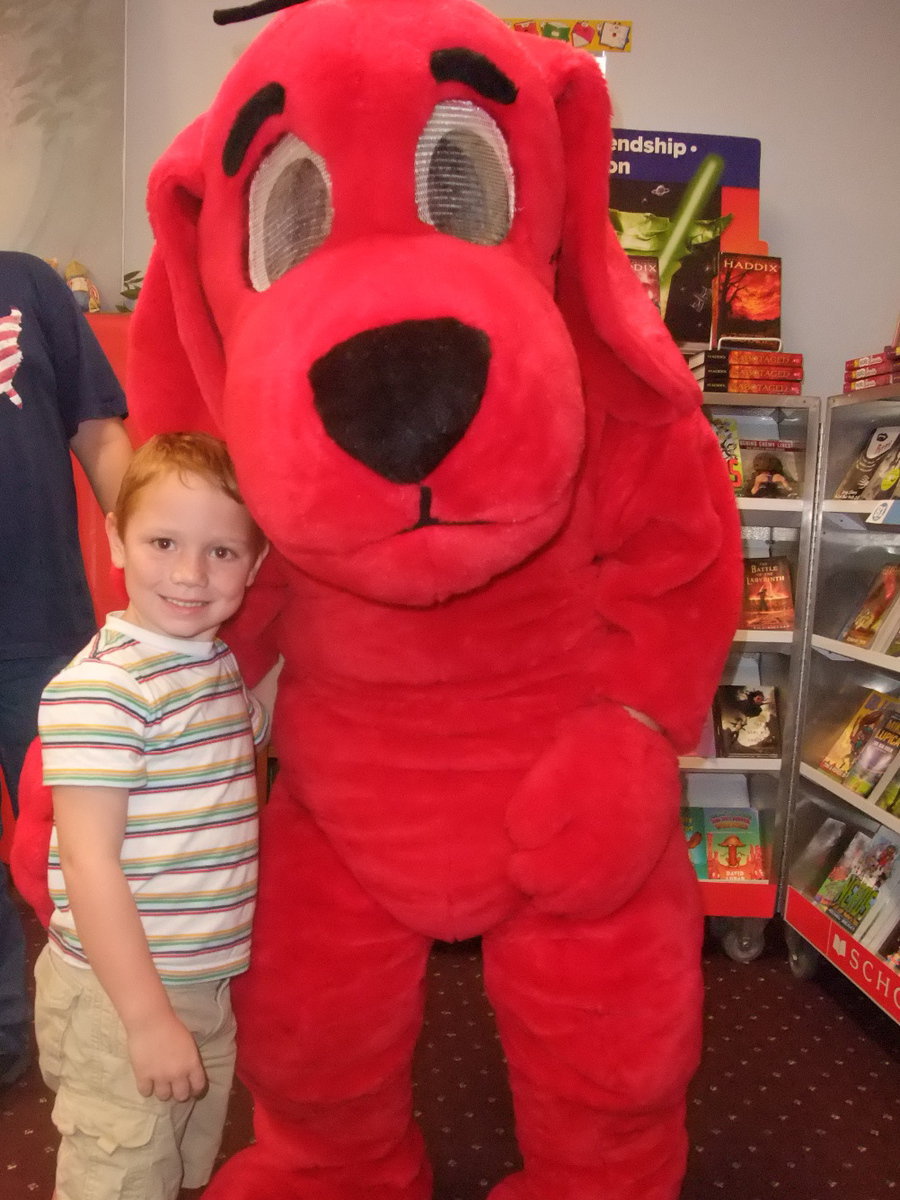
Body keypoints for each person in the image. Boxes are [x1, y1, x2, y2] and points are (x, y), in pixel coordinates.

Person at [34, 432, 279, 1200]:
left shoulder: (207, 665)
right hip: (123, 990)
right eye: (163, 541)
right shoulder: (103, 690)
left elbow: (245, 734)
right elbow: (88, 862)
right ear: (115, 538)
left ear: (258, 563)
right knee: (120, 1173)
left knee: (170, 1164)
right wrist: (145, 1018)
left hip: (197, 978)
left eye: (222, 552)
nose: (188, 573)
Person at [0, 250, 132, 1090]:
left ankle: (108, 1033)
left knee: (75, 854)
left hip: (43, 633)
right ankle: (6, 1036)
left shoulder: (29, 284)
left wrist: (167, 548)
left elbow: (101, 435)